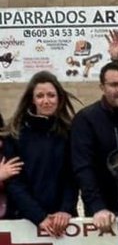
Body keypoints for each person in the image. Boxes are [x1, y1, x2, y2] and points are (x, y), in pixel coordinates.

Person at [0, 71, 78, 235]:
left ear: (59, 98)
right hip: (23, 221)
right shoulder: (14, 134)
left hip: (63, 221)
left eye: (51, 95)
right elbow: (15, 183)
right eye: (40, 96)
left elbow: (72, 177)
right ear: (32, 99)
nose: (46, 101)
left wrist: (65, 210)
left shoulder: (70, 132)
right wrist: (39, 217)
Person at [72, 61, 118, 232]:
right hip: (102, 213)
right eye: (114, 84)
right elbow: (83, 168)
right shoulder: (86, 119)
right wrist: (97, 207)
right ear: (102, 87)